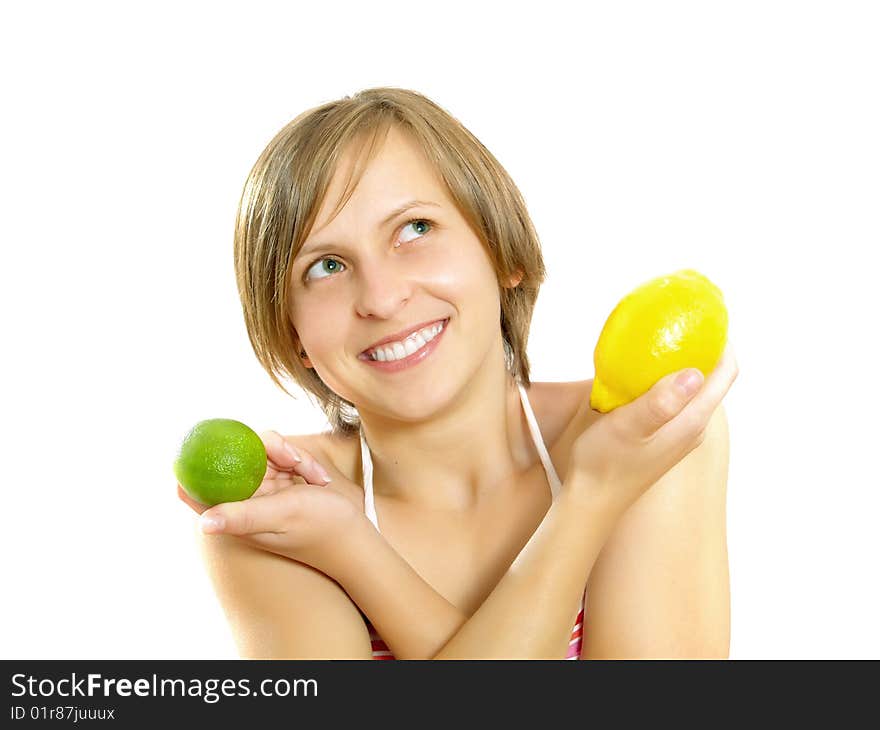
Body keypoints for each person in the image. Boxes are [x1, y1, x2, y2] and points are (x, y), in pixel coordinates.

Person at [177, 87, 738, 659]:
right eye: (326, 266)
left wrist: (354, 553)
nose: (383, 297)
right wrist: (592, 497)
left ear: (502, 253)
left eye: (414, 229)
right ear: (293, 334)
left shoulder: (643, 434)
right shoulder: (276, 508)